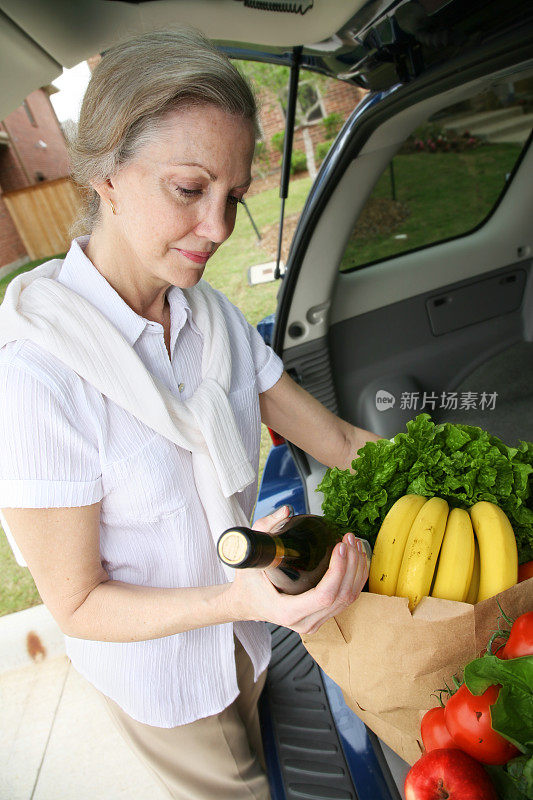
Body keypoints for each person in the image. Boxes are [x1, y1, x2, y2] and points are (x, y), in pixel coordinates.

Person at [0, 29, 380, 800]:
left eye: (233, 197)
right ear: (105, 174)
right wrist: (238, 598)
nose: (217, 228)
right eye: (188, 189)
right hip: (168, 686)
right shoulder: (36, 374)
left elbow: (336, 440)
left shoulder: (213, 322)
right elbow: (76, 603)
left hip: (258, 637)